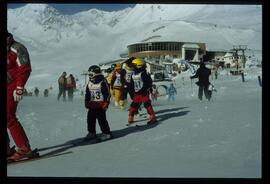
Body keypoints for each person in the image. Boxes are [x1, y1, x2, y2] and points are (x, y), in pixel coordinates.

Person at [7, 31, 35, 161]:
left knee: (8, 117)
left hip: (12, 86)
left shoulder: (17, 48)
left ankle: (24, 149)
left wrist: (19, 87)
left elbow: (24, 69)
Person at [85, 65, 112, 141]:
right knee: (90, 119)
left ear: (96, 74)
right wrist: (87, 102)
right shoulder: (90, 83)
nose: (90, 76)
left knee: (101, 119)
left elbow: (108, 94)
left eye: (91, 74)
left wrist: (106, 102)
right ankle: (92, 132)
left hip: (100, 104)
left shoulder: (102, 82)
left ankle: (107, 133)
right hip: (92, 104)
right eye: (89, 75)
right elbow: (87, 93)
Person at [128, 58, 157, 125]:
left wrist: (143, 90)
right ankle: (130, 117)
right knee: (133, 105)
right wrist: (131, 91)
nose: (132, 67)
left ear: (139, 65)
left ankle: (152, 117)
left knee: (147, 104)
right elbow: (131, 85)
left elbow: (148, 83)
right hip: (136, 93)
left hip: (143, 93)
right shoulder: (133, 74)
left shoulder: (143, 74)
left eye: (134, 65)